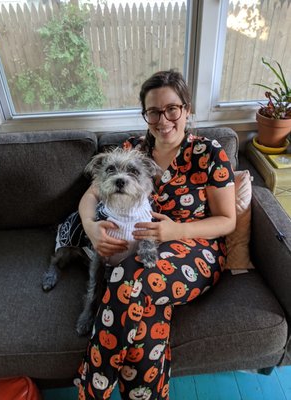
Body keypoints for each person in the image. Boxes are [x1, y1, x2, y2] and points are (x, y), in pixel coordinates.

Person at [76, 69, 236, 400]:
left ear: (186, 109)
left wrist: (176, 229)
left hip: (194, 248)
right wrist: (91, 228)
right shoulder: (132, 149)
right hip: (144, 250)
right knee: (145, 323)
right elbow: (91, 196)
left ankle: (92, 390)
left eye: (172, 109)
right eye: (153, 111)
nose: (163, 120)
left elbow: (227, 220)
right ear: (145, 114)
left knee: (128, 275)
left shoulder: (209, 152)